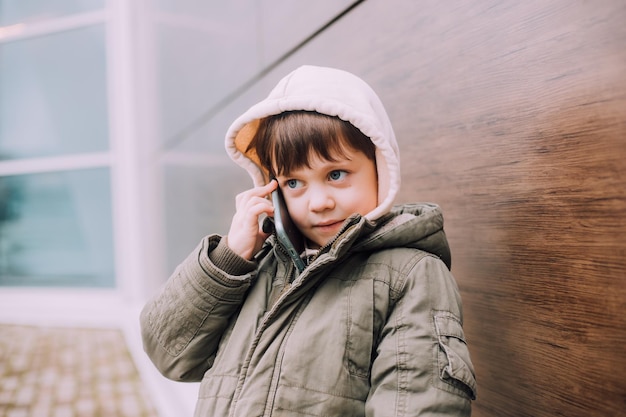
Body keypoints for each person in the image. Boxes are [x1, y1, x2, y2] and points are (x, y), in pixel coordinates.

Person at [140, 65, 477, 416]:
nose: (318, 203)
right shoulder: (260, 265)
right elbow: (169, 355)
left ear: (381, 167)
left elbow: (419, 402)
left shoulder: (410, 274)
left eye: (336, 174)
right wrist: (229, 258)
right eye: (294, 183)